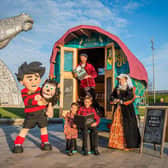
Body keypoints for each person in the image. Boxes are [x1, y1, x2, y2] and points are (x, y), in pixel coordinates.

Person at [13, 62, 53, 153]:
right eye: (30, 79)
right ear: (22, 82)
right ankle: (18, 143)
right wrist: (36, 100)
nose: (34, 81)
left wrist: (48, 105)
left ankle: (45, 142)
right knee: (25, 129)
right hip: (30, 115)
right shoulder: (24, 91)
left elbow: (47, 98)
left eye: (36, 78)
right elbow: (27, 101)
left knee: (43, 128)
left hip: (41, 114)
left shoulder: (41, 90)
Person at [108, 74, 141, 150]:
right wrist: (114, 100)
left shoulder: (130, 88)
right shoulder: (117, 88)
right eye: (119, 80)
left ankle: (128, 144)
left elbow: (131, 97)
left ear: (126, 80)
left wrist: (122, 100)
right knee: (117, 125)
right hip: (118, 109)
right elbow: (112, 96)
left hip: (127, 110)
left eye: (122, 79)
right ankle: (116, 144)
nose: (120, 81)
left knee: (127, 125)